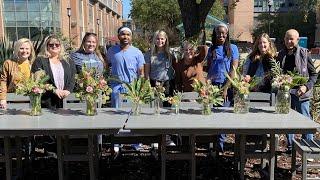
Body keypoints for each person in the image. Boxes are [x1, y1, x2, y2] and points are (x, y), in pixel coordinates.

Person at [277, 29, 318, 153]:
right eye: (287, 38)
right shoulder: (281, 54)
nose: (289, 41)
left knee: (305, 121)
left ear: (297, 40)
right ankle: (291, 147)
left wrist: (306, 86)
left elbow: (313, 75)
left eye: (292, 39)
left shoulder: (305, 53)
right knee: (287, 120)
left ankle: (308, 148)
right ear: (284, 39)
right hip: (286, 94)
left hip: (301, 94)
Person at [207, 23, 239, 153]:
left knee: (223, 115)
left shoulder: (233, 48)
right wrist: (207, 85)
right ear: (215, 34)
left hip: (227, 86)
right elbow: (210, 69)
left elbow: (234, 69)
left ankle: (220, 146)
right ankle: (214, 145)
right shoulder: (212, 49)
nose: (221, 35)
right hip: (213, 87)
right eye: (218, 33)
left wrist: (226, 88)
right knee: (213, 116)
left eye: (223, 33)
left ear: (227, 34)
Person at [31, 35, 76, 109]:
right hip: (48, 100)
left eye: (57, 44)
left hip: (66, 99)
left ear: (60, 46)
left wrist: (68, 90)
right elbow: (38, 80)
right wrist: (54, 90)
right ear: (47, 46)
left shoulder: (68, 60)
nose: (54, 46)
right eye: (51, 44)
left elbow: (73, 77)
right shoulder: (40, 60)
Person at [107, 26, 145, 108]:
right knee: (115, 114)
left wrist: (139, 88)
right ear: (118, 36)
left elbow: (141, 73)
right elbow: (107, 67)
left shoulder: (137, 52)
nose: (125, 37)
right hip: (116, 88)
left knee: (131, 113)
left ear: (131, 37)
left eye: (128, 35)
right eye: (123, 34)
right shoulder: (111, 50)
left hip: (131, 89)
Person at [0, 38, 36, 109]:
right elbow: (3, 81)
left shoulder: (34, 64)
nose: (24, 51)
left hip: (30, 101)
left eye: (27, 49)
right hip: (12, 100)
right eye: (21, 48)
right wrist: (2, 99)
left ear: (31, 50)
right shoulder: (8, 64)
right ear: (17, 49)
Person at [145, 30, 175, 107]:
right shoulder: (149, 54)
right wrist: (148, 85)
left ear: (166, 40)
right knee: (155, 106)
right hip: (154, 83)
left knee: (167, 107)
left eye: (162, 39)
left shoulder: (171, 53)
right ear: (154, 40)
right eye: (157, 38)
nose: (160, 41)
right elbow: (147, 72)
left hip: (168, 83)